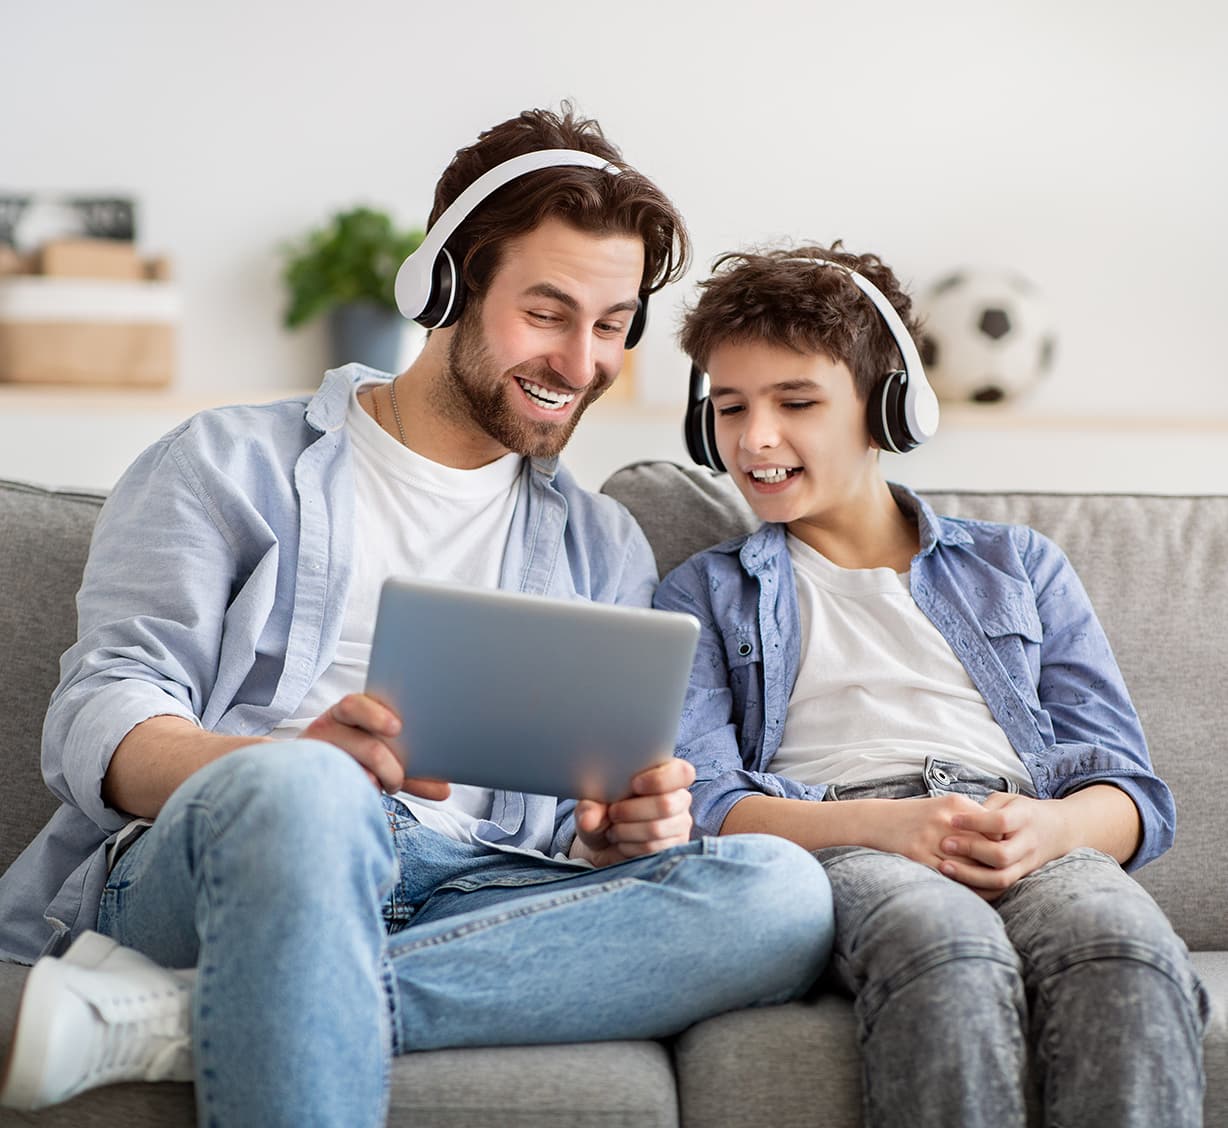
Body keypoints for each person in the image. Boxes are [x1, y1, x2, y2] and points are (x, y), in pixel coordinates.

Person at [0, 109, 835, 1124]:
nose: (581, 363)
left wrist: (619, 836)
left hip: (477, 889)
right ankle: (263, 934)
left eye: (611, 325)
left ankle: (201, 1012)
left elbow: (581, 826)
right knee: (310, 792)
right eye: (547, 312)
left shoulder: (601, 542)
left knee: (778, 894)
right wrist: (279, 767)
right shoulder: (224, 462)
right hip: (236, 856)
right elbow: (102, 711)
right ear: (445, 284)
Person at [653, 243, 1210, 1127]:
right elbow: (711, 805)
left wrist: (1053, 826)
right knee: (943, 948)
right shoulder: (705, 592)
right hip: (846, 835)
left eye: (795, 402)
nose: (755, 437)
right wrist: (884, 824)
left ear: (890, 409)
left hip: (1020, 824)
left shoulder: (1020, 566)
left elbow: (1134, 792)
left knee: (1124, 947)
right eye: (730, 408)